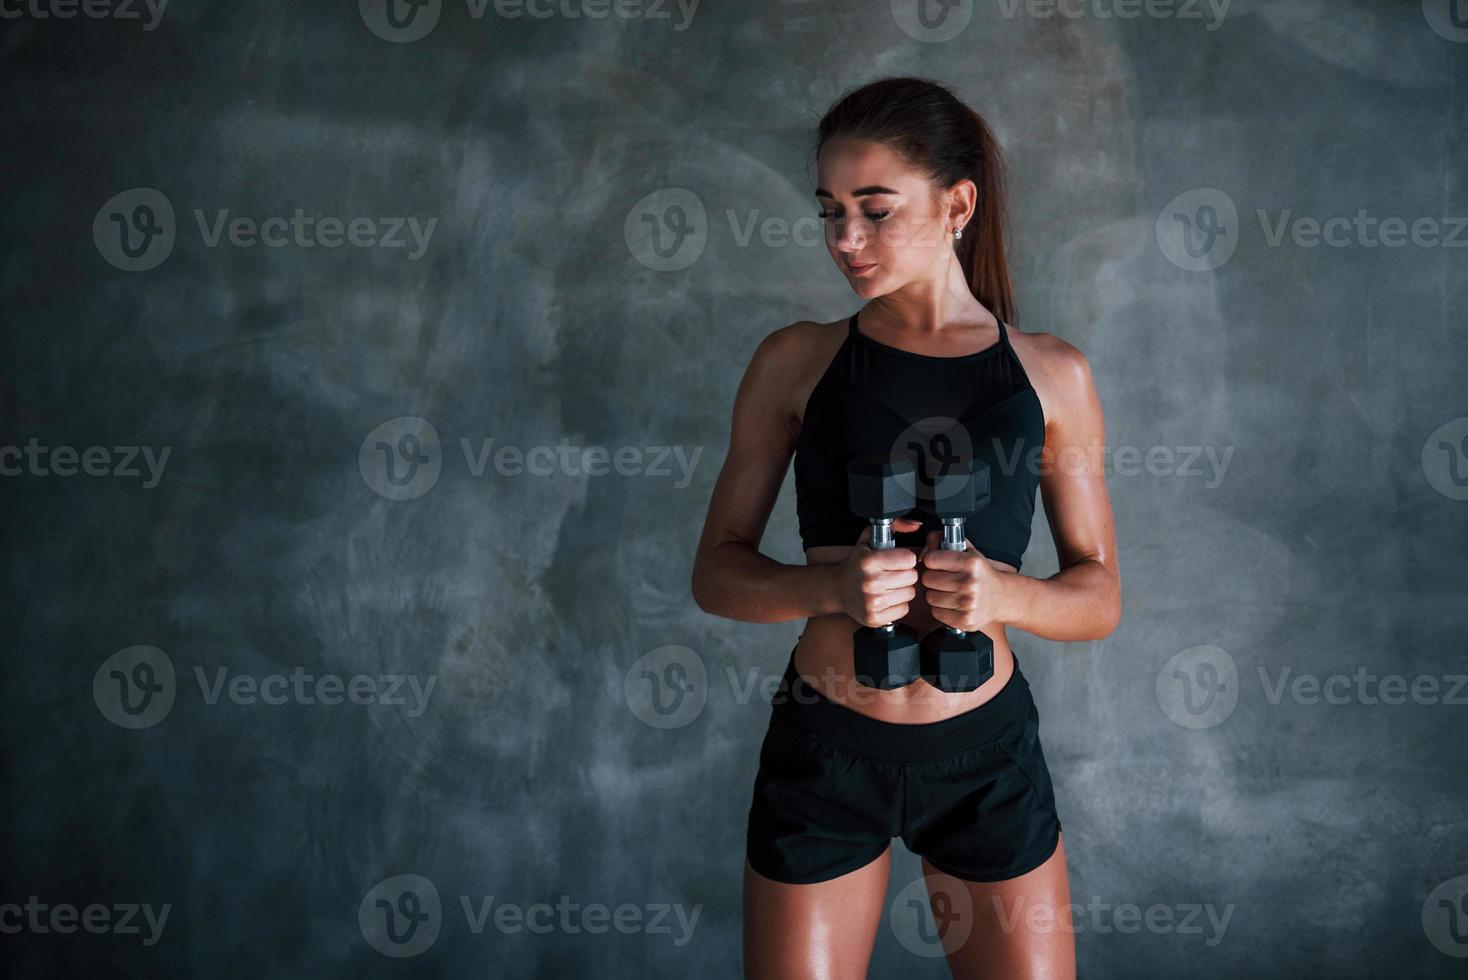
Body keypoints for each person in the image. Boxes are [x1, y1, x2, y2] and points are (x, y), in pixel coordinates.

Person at [690, 76, 1121, 979]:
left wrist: (1009, 593)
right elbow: (716, 573)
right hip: (825, 750)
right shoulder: (797, 360)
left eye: (875, 211)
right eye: (830, 212)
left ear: (957, 203)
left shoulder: (1051, 376)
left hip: (983, 755)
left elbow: (1099, 595)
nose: (846, 240)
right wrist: (828, 587)